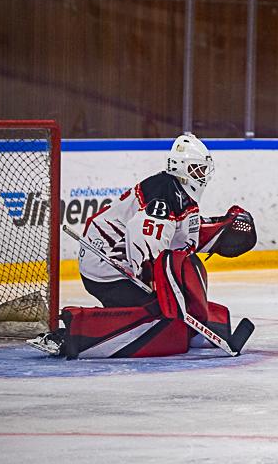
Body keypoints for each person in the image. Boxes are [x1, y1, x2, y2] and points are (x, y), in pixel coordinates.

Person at [27, 133, 257, 358]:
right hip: (105, 267)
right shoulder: (163, 197)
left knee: (172, 305)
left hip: (121, 262)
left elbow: (181, 240)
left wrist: (222, 229)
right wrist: (161, 289)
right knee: (158, 315)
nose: (203, 175)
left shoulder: (178, 193)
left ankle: (188, 330)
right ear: (183, 168)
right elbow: (143, 241)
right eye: (199, 169)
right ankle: (71, 336)